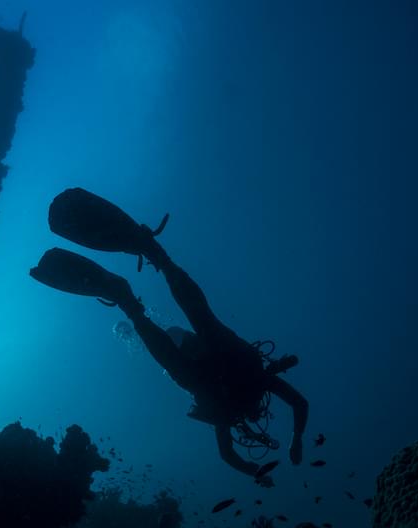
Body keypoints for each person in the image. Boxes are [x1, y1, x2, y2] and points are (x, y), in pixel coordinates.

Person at [30, 188, 308, 482]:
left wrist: (272, 458)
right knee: (189, 326)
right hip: (219, 358)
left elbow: (237, 448)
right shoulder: (255, 388)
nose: (253, 413)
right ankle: (140, 279)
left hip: (201, 366)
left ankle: (142, 274)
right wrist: (292, 442)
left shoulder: (237, 406)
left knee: (188, 331)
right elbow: (297, 405)